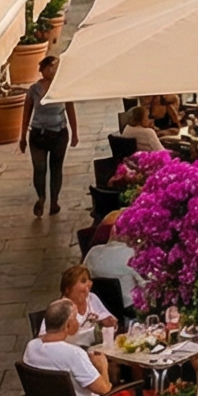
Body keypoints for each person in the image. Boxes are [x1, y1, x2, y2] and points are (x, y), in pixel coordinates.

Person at [25, 56, 77, 218]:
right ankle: (41, 197)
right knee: (39, 168)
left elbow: (70, 109)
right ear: (43, 69)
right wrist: (21, 136)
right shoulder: (34, 90)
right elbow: (26, 112)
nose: (54, 70)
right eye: (51, 67)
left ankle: (54, 200)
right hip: (38, 133)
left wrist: (75, 132)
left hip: (59, 133)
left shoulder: (62, 87)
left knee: (56, 168)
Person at [84, 211, 142, 309]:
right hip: (130, 311)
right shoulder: (132, 255)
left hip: (98, 309)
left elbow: (81, 278)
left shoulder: (93, 252)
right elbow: (148, 286)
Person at [58, 264, 118, 340]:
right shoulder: (60, 308)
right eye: (83, 281)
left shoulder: (92, 298)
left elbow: (108, 319)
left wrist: (110, 322)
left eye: (89, 280)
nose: (90, 284)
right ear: (68, 289)